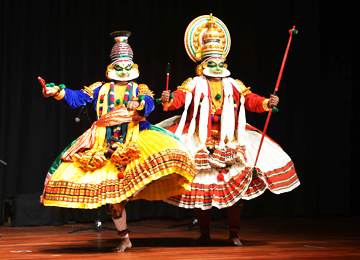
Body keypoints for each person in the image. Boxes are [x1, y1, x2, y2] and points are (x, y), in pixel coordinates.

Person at [40, 31, 196, 252]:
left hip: (135, 140)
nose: (123, 71)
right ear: (111, 68)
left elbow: (150, 103)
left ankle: (128, 219)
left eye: (127, 67)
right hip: (104, 144)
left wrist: (139, 104)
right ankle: (124, 237)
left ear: (133, 67)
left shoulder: (139, 89)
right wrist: (56, 91)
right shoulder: (99, 88)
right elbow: (76, 98)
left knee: (128, 189)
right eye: (119, 67)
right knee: (114, 199)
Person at [159, 14, 300, 246]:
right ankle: (204, 233)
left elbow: (252, 100)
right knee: (201, 193)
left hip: (230, 141)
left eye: (219, 63)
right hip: (198, 141)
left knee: (236, 191)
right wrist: (168, 98)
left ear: (224, 64)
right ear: (202, 64)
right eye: (210, 63)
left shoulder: (234, 85)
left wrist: (267, 103)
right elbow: (177, 100)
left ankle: (234, 233)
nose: (215, 67)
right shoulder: (193, 84)